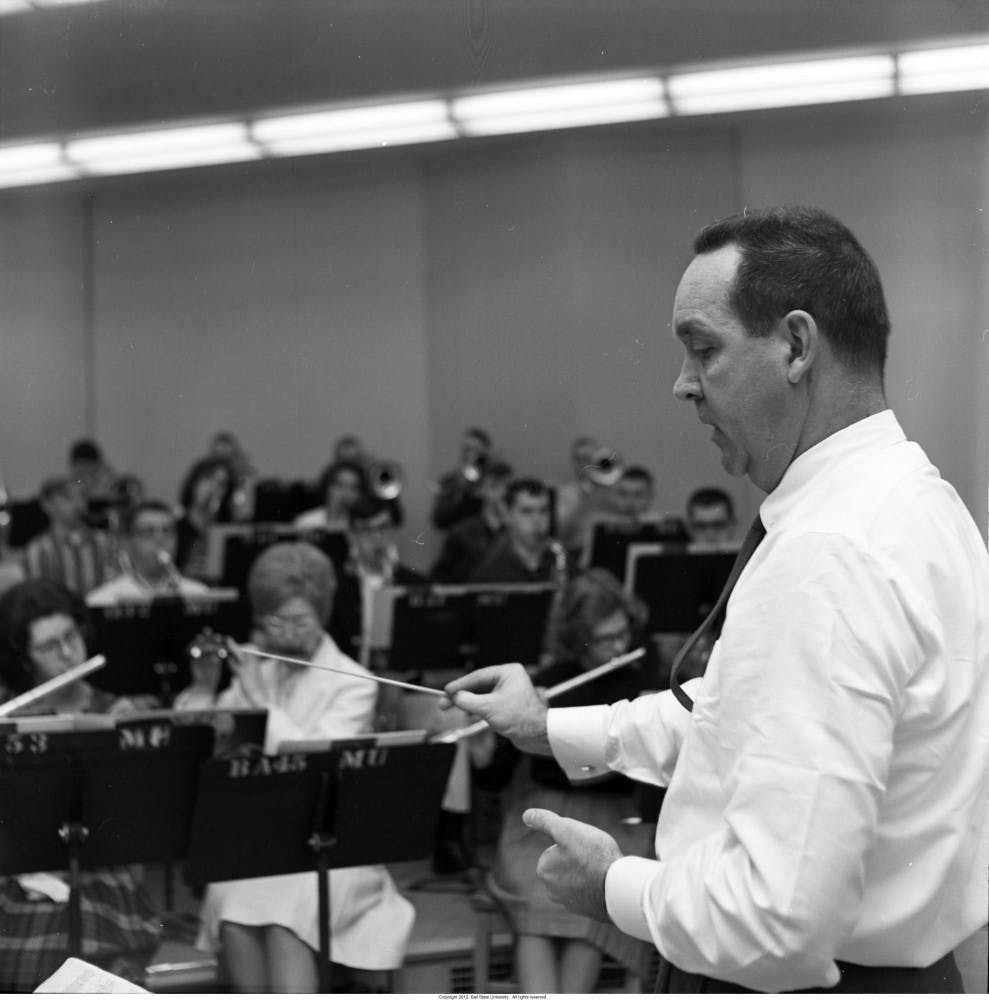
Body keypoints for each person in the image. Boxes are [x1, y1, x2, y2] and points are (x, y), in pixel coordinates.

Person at [443, 206, 989, 993]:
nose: (681, 385)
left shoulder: (825, 555)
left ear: (795, 347)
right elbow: (737, 712)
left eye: (703, 349)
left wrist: (613, 887)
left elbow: (774, 922)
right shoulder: (921, 503)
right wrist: (546, 727)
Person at [174, 542, 414, 992]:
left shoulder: (354, 682)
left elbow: (309, 758)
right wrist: (205, 687)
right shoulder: (257, 667)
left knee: (287, 920)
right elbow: (208, 745)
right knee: (232, 907)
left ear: (322, 614)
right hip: (264, 839)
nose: (286, 634)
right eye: (274, 622)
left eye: (299, 621)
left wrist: (257, 701)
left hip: (332, 844)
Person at [469, 569, 654, 992]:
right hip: (540, 818)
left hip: (613, 818)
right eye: (605, 639)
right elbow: (495, 778)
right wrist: (483, 751)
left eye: (622, 633)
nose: (619, 646)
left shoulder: (644, 678)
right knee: (536, 903)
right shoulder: (549, 682)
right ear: (578, 639)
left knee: (590, 905)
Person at [0, 580, 163, 991]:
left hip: (100, 872)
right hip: (19, 875)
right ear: (24, 658)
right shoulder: (9, 715)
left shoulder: (116, 709)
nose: (68, 653)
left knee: (94, 951)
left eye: (71, 636)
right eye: (49, 646)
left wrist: (129, 745)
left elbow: (140, 826)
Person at [328, 494, 426, 664]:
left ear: (395, 530)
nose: (376, 537)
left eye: (383, 528)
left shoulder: (416, 584)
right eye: (366, 530)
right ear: (351, 535)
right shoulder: (334, 586)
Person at [87, 500, 210, 605]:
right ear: (128, 543)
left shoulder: (199, 595)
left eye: (167, 531)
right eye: (148, 532)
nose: (160, 539)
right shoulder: (104, 600)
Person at [22, 477, 118, 596]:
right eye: (68, 498)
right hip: (58, 607)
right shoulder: (39, 549)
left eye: (82, 497)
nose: (79, 505)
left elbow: (116, 585)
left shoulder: (103, 542)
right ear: (47, 504)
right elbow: (38, 595)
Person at [430, 459, 514, 583]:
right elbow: (441, 575)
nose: (502, 493)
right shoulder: (461, 532)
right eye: (494, 486)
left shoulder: (519, 529)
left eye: (508, 487)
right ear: (480, 490)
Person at [470, 477, 561, 585]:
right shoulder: (489, 569)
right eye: (526, 511)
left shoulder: (559, 555)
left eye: (543, 510)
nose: (537, 520)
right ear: (507, 514)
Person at [175, 456, 236, 580]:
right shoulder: (174, 530)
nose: (213, 487)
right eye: (207, 478)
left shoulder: (230, 533)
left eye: (221, 484)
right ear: (193, 483)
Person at [430, 427, 492, 531]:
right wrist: (459, 489)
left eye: (475, 450)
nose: (470, 454)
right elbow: (439, 520)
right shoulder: (450, 481)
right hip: (458, 536)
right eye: (466, 449)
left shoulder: (493, 479)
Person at [294, 459, 368, 531]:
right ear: (327, 487)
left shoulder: (364, 525)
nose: (346, 493)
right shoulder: (306, 523)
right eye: (339, 485)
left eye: (353, 488)